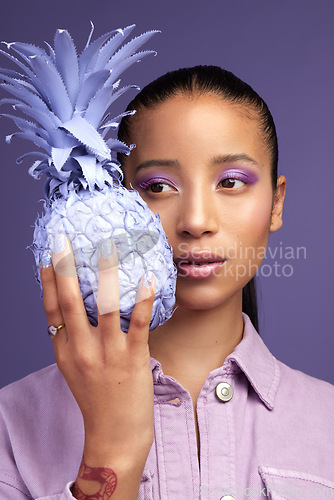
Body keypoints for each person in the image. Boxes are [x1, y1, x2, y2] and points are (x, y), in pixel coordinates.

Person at [0, 65, 333, 500]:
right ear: (117, 202)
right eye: (158, 186)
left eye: (230, 182)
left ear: (275, 202)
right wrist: (113, 450)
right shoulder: (11, 427)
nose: (195, 221)